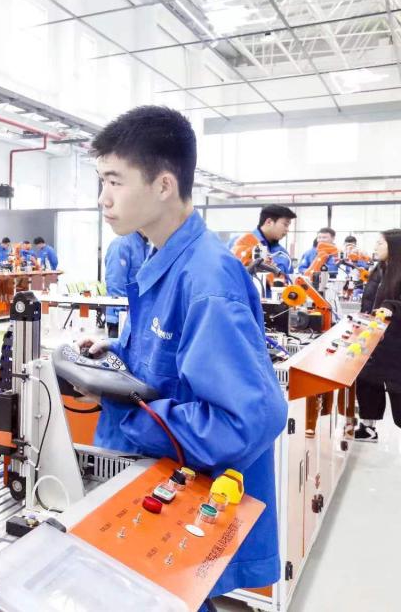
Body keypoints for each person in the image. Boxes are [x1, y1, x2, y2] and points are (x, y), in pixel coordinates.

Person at [79, 106, 287, 600]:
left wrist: (126, 410)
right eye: (101, 182)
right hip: (163, 485)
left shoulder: (206, 279)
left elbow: (246, 420)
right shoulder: (162, 256)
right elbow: (175, 360)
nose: (103, 198)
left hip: (193, 501)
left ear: (164, 185)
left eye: (115, 181)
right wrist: (119, 352)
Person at [353, 229, 401, 442]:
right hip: (376, 336)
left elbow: (391, 303)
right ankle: (368, 427)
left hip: (396, 342)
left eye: (380, 243)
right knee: (366, 378)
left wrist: (392, 307)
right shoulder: (380, 269)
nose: (375, 247)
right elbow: (370, 299)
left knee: (397, 390)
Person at [103, 232, 148, 337]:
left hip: (139, 318)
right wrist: (122, 315)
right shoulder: (121, 244)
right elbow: (115, 284)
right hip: (121, 318)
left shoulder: (146, 244)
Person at [230, 204, 297, 276]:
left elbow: (289, 278)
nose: (287, 229)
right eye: (285, 225)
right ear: (269, 222)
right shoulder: (238, 243)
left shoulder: (283, 254)